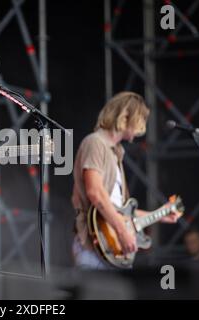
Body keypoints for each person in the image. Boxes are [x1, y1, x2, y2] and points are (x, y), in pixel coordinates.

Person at [71, 91, 182, 269]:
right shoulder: (95, 143)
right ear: (125, 117)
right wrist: (122, 232)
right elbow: (96, 193)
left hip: (112, 250)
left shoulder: (116, 152)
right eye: (141, 119)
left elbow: (121, 212)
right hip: (94, 246)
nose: (142, 127)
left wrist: (160, 214)